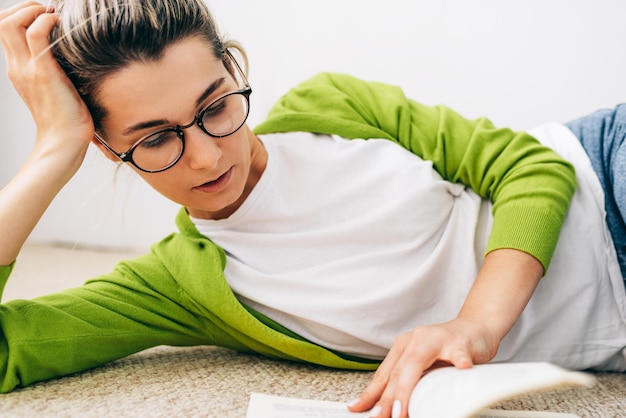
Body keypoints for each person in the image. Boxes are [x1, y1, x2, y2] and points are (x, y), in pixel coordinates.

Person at [0, 1, 624, 417]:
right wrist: (53, 151)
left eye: (216, 106)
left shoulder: (334, 105)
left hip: (605, 179)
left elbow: (533, 166)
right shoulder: (180, 287)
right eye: (157, 139)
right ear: (108, 147)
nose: (209, 157)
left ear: (235, 69)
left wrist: (475, 325)